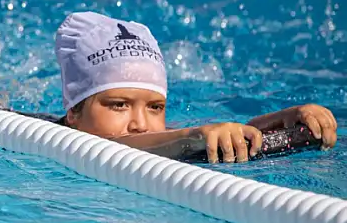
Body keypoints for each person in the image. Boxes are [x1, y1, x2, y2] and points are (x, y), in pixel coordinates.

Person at [50, 12, 336, 163]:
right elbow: (114, 147)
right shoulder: (45, 140)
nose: (140, 124)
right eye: (119, 105)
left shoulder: (167, 136)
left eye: (155, 107)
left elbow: (212, 135)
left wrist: (277, 122)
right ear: (73, 110)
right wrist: (195, 137)